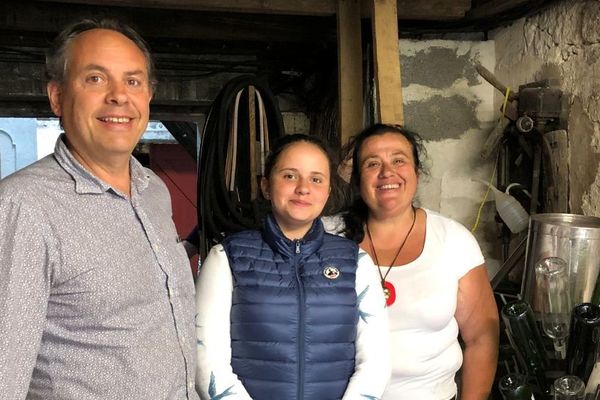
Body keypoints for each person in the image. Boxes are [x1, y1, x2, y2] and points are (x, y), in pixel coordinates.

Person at [0, 19, 198, 399]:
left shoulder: (153, 190)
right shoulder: (24, 207)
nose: (119, 96)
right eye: (95, 79)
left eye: (133, 81)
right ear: (56, 96)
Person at [195, 134, 390, 400]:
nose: (303, 188)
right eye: (289, 176)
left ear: (328, 191)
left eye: (316, 179)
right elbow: (207, 361)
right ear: (266, 186)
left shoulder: (355, 261)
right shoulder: (225, 258)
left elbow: (376, 360)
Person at [337, 124, 499, 400]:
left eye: (398, 160)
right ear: (357, 180)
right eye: (372, 163)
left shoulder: (453, 241)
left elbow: (481, 338)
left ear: (417, 172)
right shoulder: (326, 237)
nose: (387, 172)